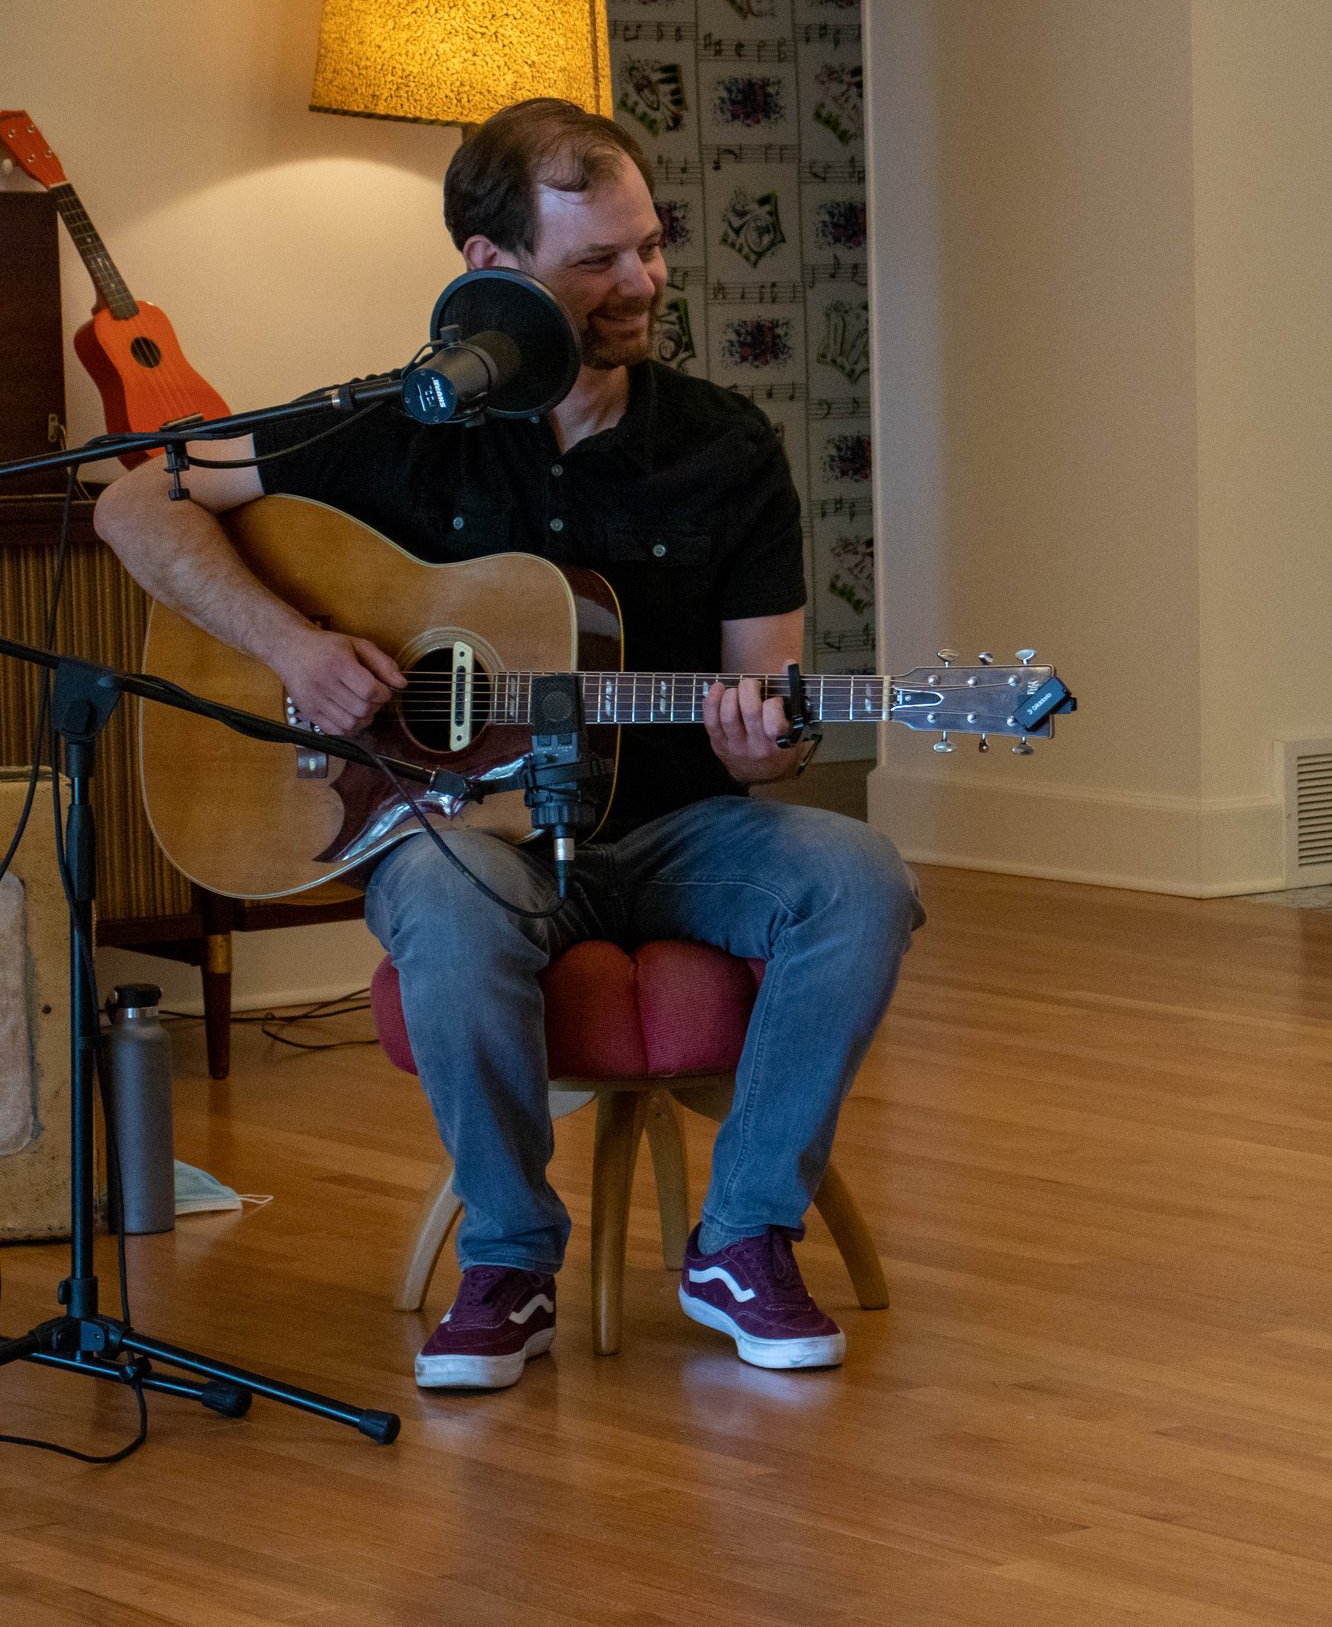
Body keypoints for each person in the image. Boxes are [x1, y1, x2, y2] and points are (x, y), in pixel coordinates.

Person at [90, 98, 922, 1392]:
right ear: (492, 269)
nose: (643, 281)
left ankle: (745, 1232)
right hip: (482, 834)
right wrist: (296, 645)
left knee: (858, 873)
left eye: (651, 246)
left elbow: (771, 716)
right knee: (437, 887)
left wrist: (763, 740)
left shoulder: (723, 446)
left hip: (676, 827)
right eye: (598, 261)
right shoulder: (386, 421)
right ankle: (511, 1252)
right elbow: (138, 495)